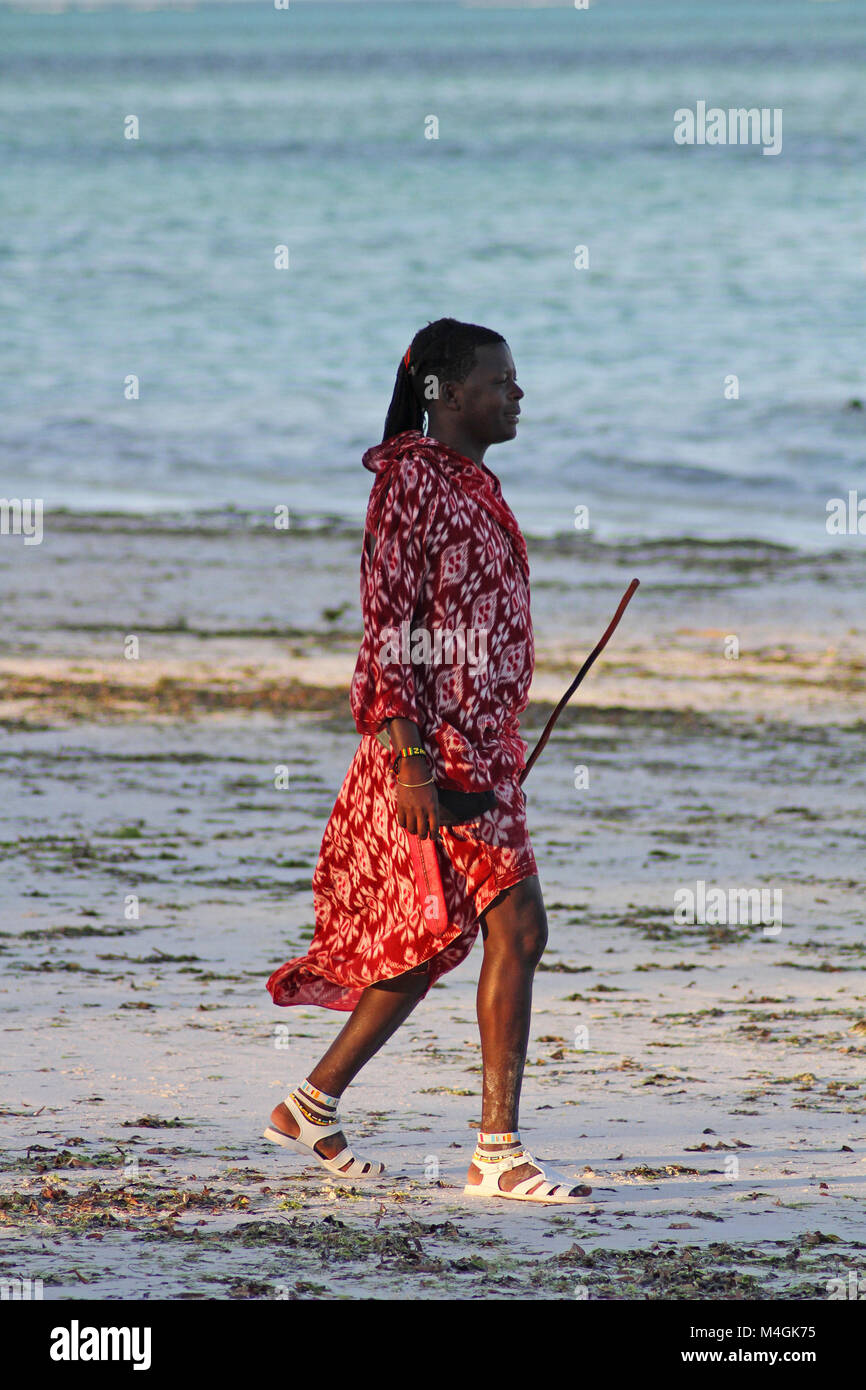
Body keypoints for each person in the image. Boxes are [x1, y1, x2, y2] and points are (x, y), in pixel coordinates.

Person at [263, 317, 591, 1203]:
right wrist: (410, 760)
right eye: (502, 379)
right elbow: (388, 628)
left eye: (517, 380)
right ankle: (497, 1153)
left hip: (483, 747)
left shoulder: (473, 482)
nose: (518, 393)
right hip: (435, 755)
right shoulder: (410, 480)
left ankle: (310, 1102)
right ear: (446, 391)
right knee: (516, 930)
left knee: (429, 934)